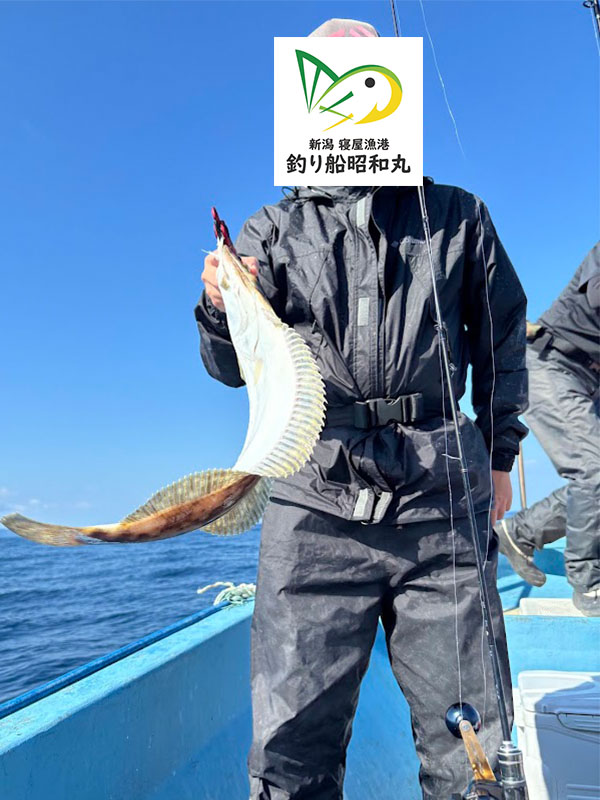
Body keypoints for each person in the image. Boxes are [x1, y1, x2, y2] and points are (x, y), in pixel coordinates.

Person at [196, 19, 528, 800]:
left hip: (440, 500)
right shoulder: (269, 233)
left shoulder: (459, 216)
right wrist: (221, 304)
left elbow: (503, 337)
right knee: (290, 751)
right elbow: (227, 370)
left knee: (471, 748)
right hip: (313, 504)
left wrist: (502, 453)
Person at [496, 242, 600, 616]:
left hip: (589, 378)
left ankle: (521, 532)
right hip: (552, 363)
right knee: (593, 469)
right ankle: (589, 584)